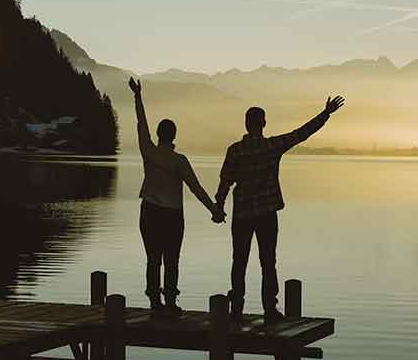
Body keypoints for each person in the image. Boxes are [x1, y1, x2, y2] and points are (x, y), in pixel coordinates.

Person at [214, 95, 346, 322]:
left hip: (242, 214)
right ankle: (270, 309)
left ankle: (236, 307)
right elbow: (301, 133)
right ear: (263, 123)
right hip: (266, 213)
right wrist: (325, 114)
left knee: (239, 261)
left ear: (246, 124)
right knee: (268, 261)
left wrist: (219, 206)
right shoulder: (271, 146)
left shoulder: (235, 151)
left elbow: (225, 181)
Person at [129, 78, 224, 318]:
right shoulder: (179, 161)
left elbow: (141, 125)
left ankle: (154, 301)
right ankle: (169, 300)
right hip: (172, 215)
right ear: (174, 136)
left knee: (153, 259)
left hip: (149, 211)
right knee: (171, 260)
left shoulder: (148, 151)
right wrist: (214, 209)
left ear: (159, 135)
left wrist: (138, 97)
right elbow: (196, 188)